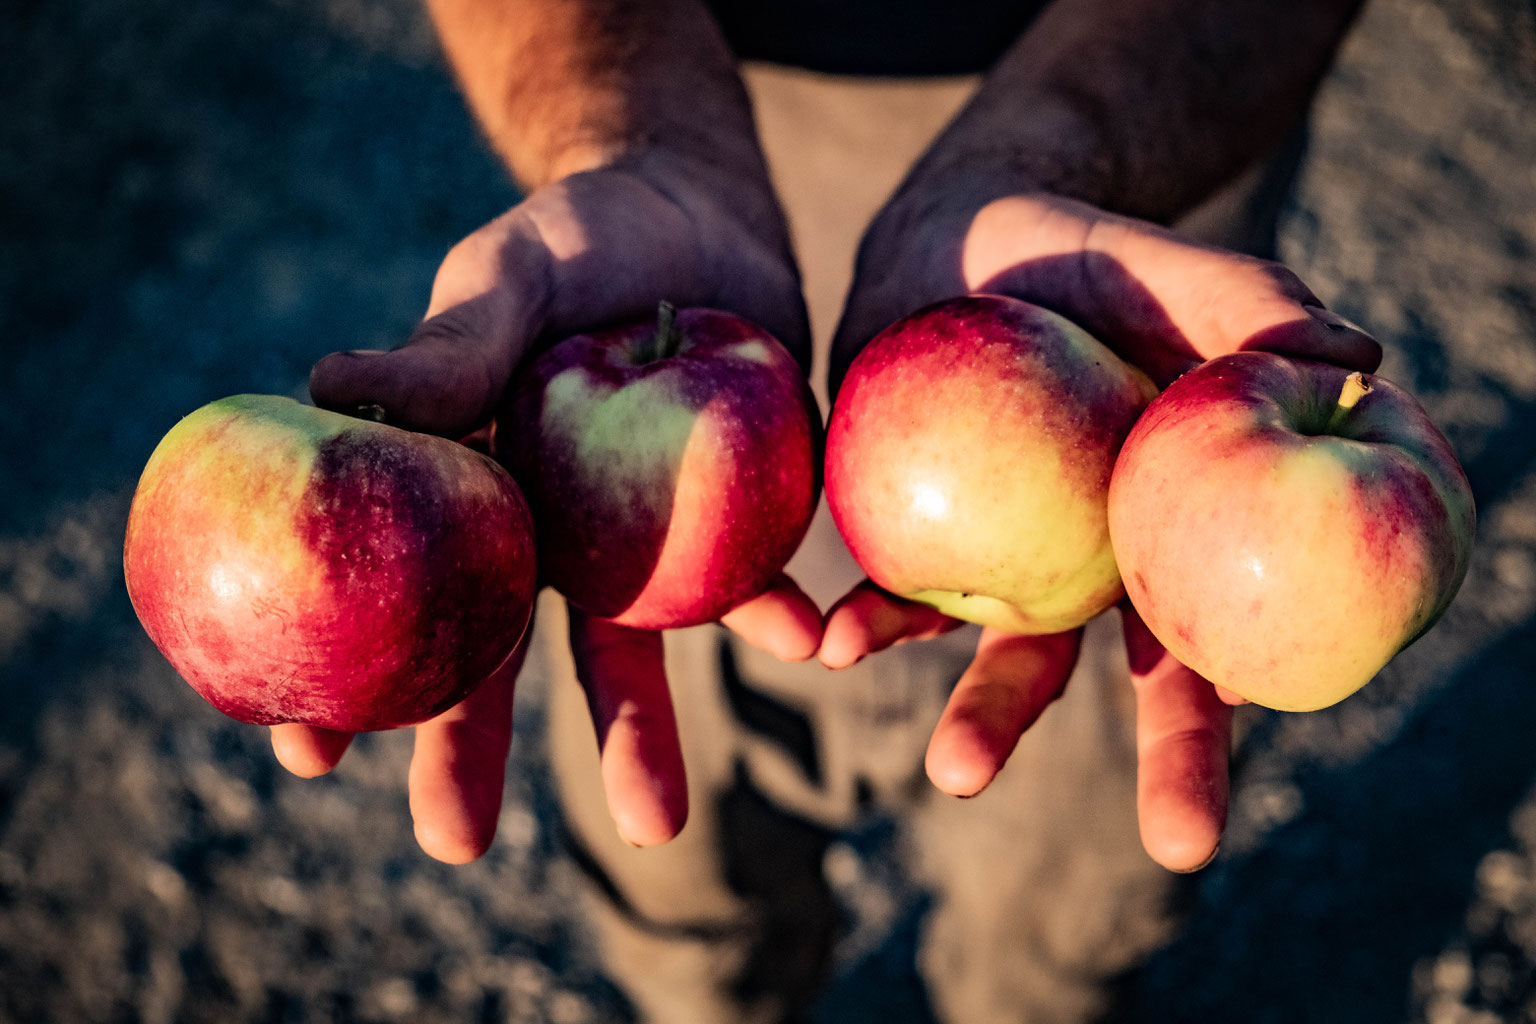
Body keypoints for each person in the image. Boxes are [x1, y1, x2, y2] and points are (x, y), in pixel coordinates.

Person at [266, 1, 1382, 1019]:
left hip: (1139, 239)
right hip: (713, 116)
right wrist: (630, 133)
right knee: (692, 887)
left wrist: (1069, 138)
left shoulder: (1177, 470)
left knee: (1065, 909)